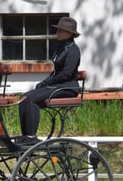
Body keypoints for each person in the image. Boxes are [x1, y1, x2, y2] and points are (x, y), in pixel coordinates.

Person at [15, 17, 81, 147]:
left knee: (31, 99)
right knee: (24, 97)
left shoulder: (73, 50)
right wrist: (45, 81)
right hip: (57, 85)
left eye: (61, 31)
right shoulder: (62, 48)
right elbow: (56, 71)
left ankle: (31, 137)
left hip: (67, 88)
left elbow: (67, 74)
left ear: (69, 33)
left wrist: (46, 83)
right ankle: (25, 136)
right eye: (58, 30)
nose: (58, 33)